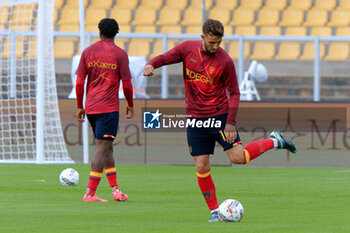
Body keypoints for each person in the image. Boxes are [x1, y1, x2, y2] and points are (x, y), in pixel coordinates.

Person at [142, 18, 296, 221]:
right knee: (202, 166)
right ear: (202, 37)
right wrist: (151, 65)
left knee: (238, 158)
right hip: (195, 119)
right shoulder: (187, 49)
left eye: (219, 43)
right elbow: (164, 58)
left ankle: (275, 140)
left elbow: (235, 92)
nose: (215, 47)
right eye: (212, 42)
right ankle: (215, 211)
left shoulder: (225, 61)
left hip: (220, 116)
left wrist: (230, 121)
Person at [75, 18, 134, 202]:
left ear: (99, 32)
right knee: (102, 147)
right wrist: (130, 104)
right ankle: (90, 193)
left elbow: (79, 82)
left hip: (91, 107)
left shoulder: (87, 52)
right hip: (108, 108)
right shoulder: (120, 54)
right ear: (116, 33)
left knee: (107, 147)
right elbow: (128, 84)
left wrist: (79, 105)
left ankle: (115, 190)